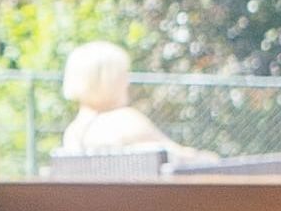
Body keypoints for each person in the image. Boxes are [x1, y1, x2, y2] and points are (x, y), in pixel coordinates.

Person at [56, 38, 187, 164]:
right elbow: (181, 158)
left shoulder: (73, 133)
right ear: (108, 80)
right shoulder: (125, 121)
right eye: (123, 75)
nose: (127, 82)